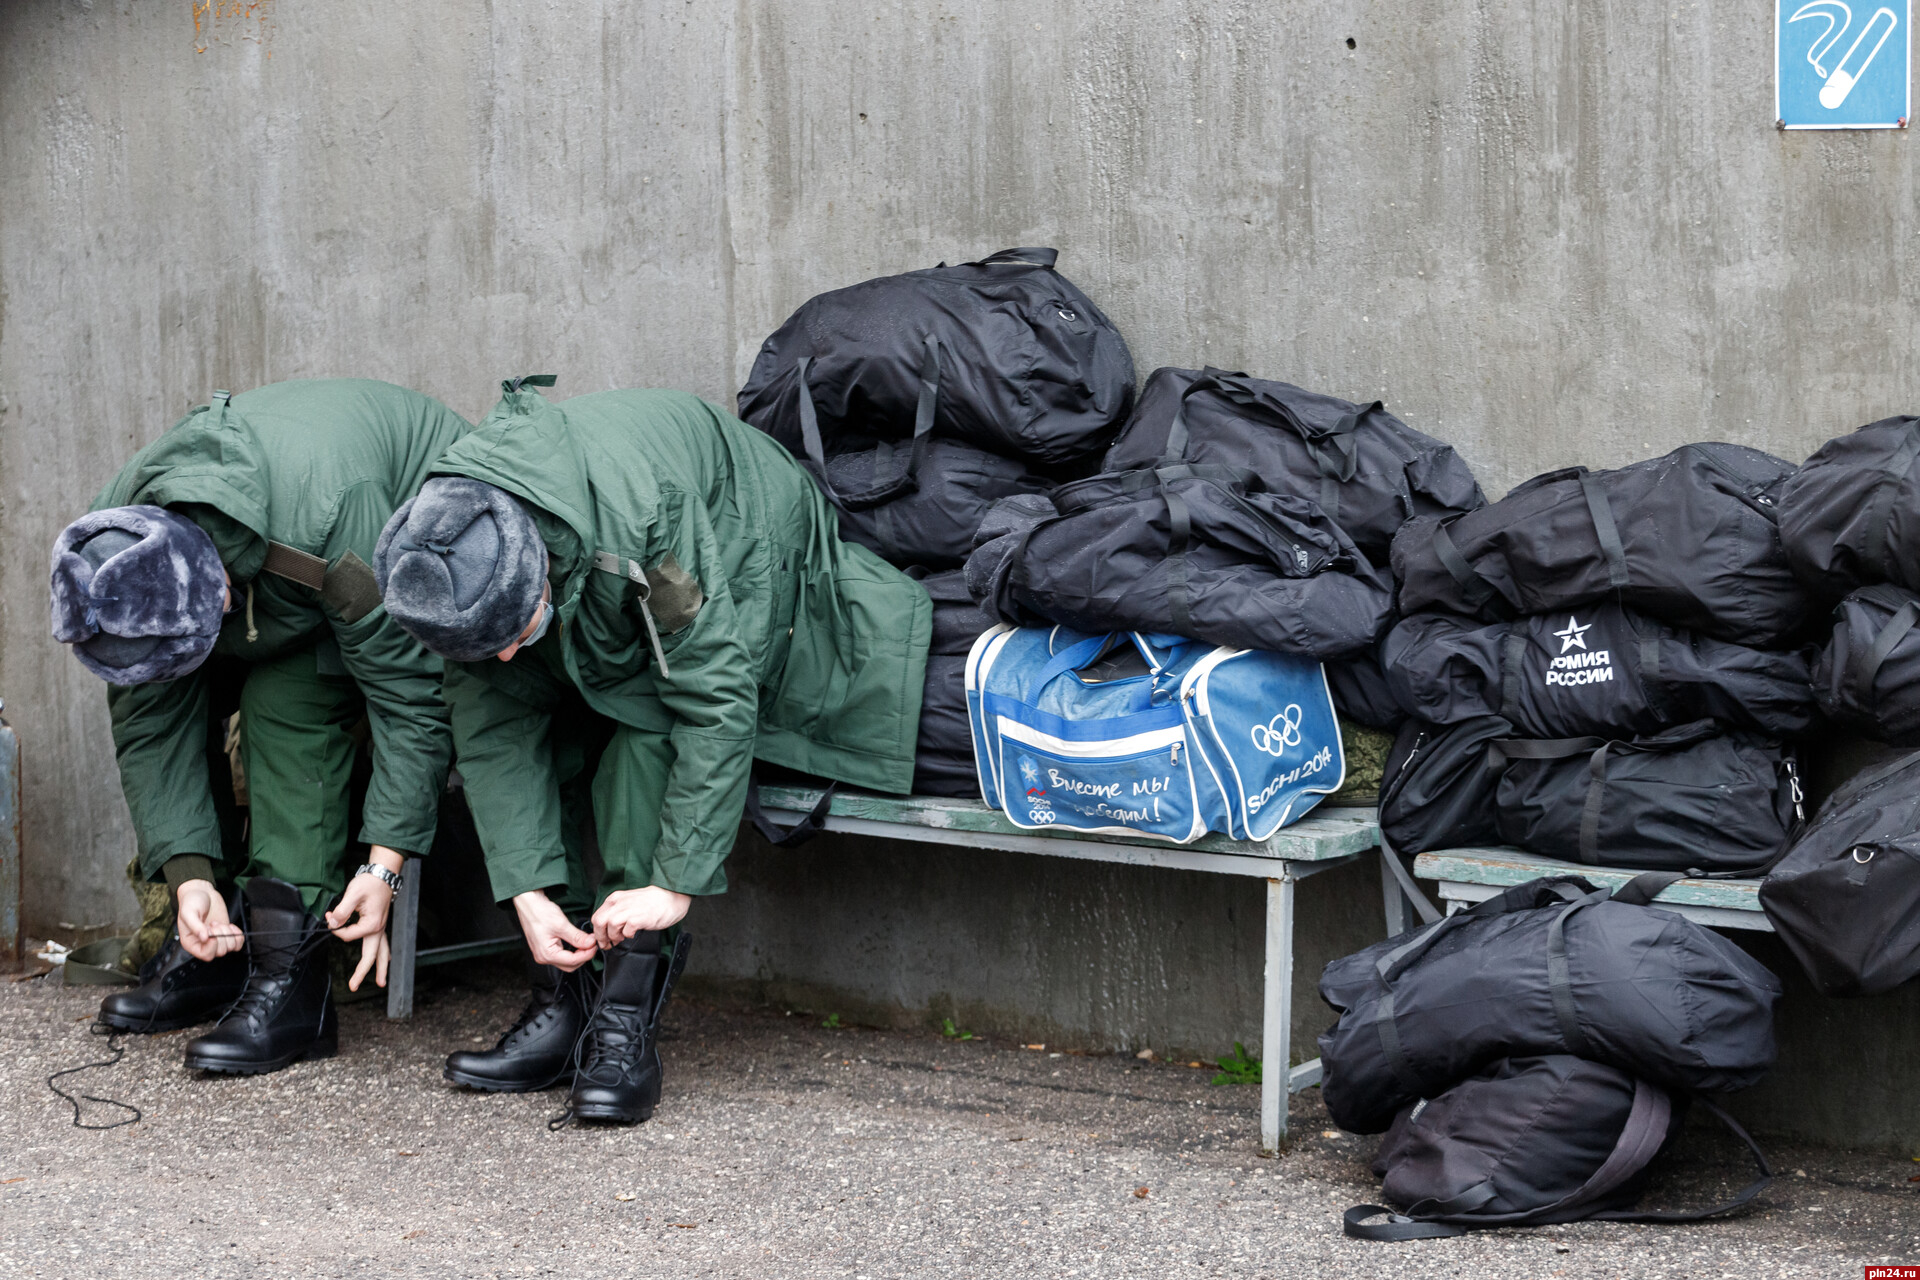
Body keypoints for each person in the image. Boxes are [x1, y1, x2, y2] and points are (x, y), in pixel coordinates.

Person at [376, 375, 930, 1123]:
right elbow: (491, 726)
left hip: (747, 536)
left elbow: (712, 697)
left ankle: (623, 1015)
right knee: (528, 712)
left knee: (645, 730)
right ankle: (563, 1001)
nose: (504, 657)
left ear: (535, 571)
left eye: (512, 635)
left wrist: (673, 885)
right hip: (598, 571)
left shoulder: (650, 521)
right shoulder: (453, 543)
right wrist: (527, 891)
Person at [49, 380, 467, 1073]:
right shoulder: (116, 544)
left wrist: (383, 866)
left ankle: (289, 974)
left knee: (288, 702)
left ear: (216, 586)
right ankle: (215, 941)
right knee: (164, 692)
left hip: (393, 549)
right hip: (269, 569)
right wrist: (189, 881)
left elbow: (409, 697)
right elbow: (151, 722)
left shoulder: (333, 522)